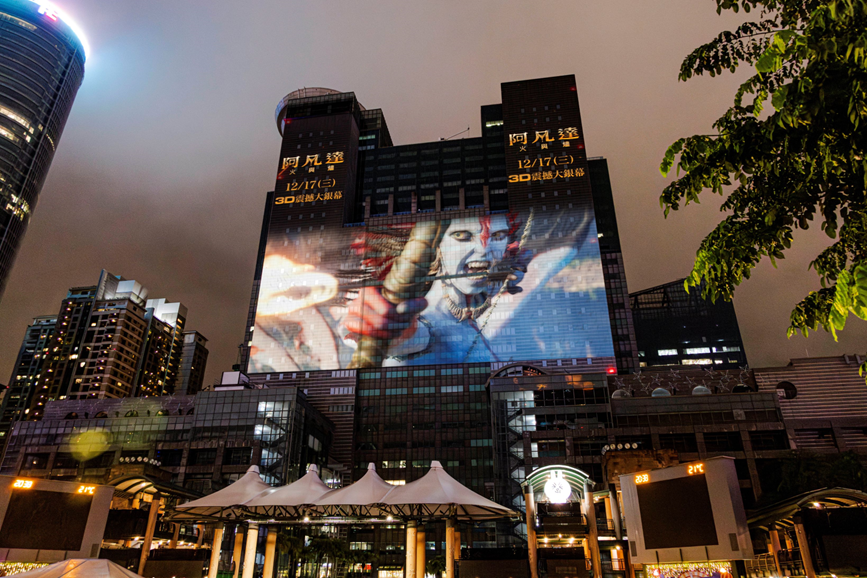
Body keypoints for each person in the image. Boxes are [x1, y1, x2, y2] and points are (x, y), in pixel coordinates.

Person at [344, 214, 523, 365]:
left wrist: (513, 268)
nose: (484, 250)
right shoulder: (426, 327)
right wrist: (386, 330)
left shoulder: (471, 304)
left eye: (498, 235)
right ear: (437, 248)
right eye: (461, 235)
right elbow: (405, 338)